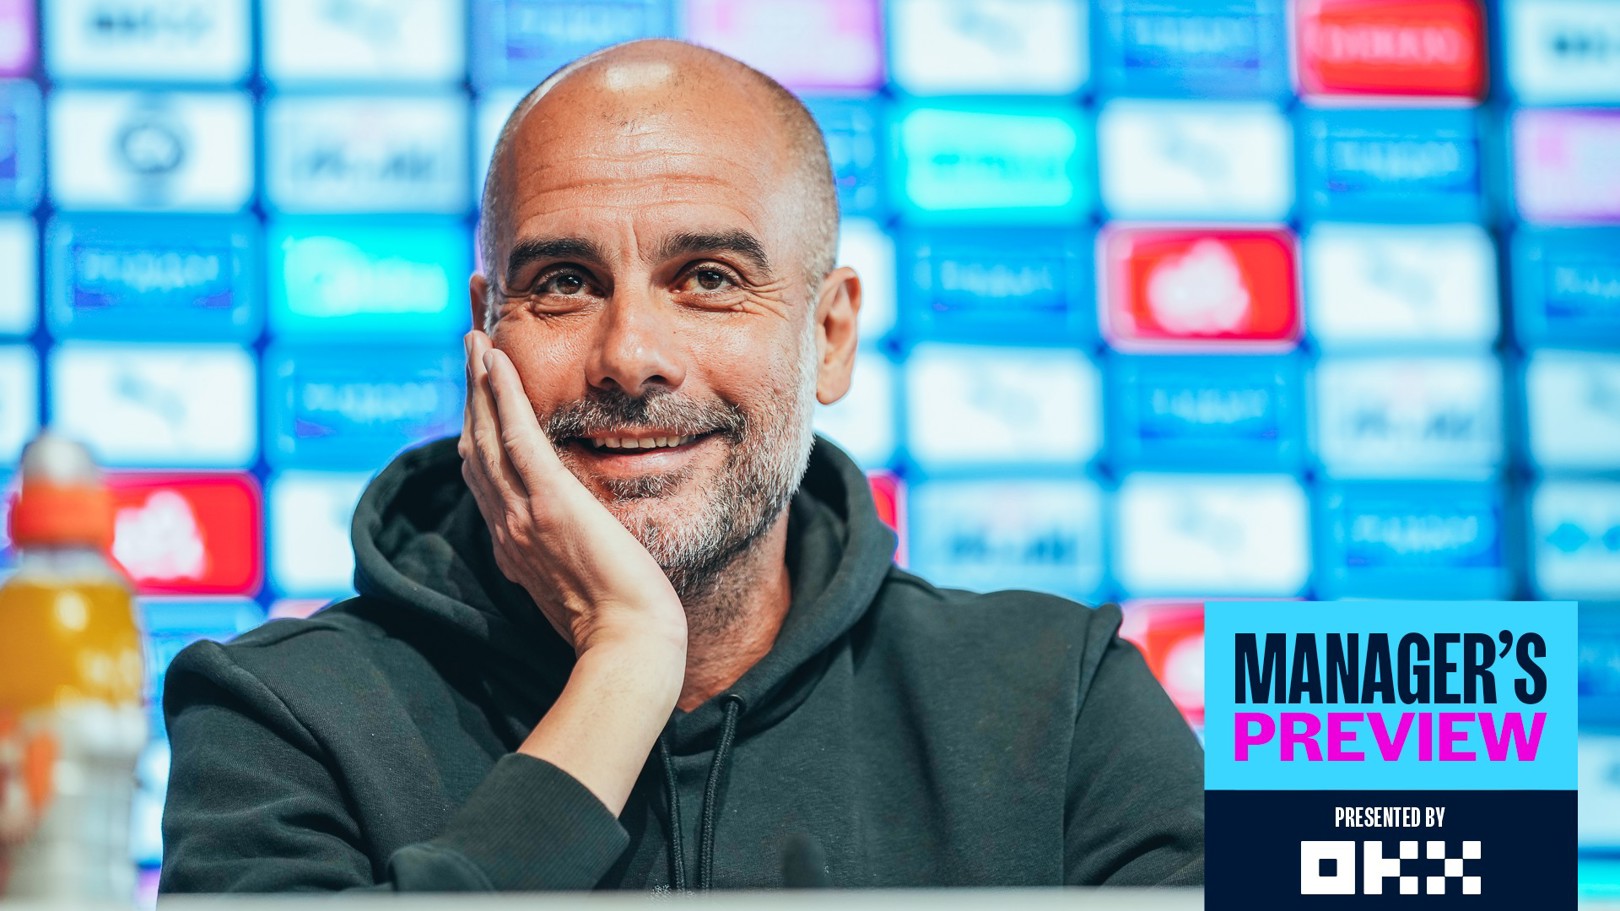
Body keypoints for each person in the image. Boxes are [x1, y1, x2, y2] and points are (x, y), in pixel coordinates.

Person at [158, 39, 1204, 892]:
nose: (630, 355)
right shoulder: (280, 713)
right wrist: (625, 663)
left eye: (707, 277)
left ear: (830, 335)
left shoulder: (1064, 700)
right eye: (564, 282)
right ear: (485, 336)